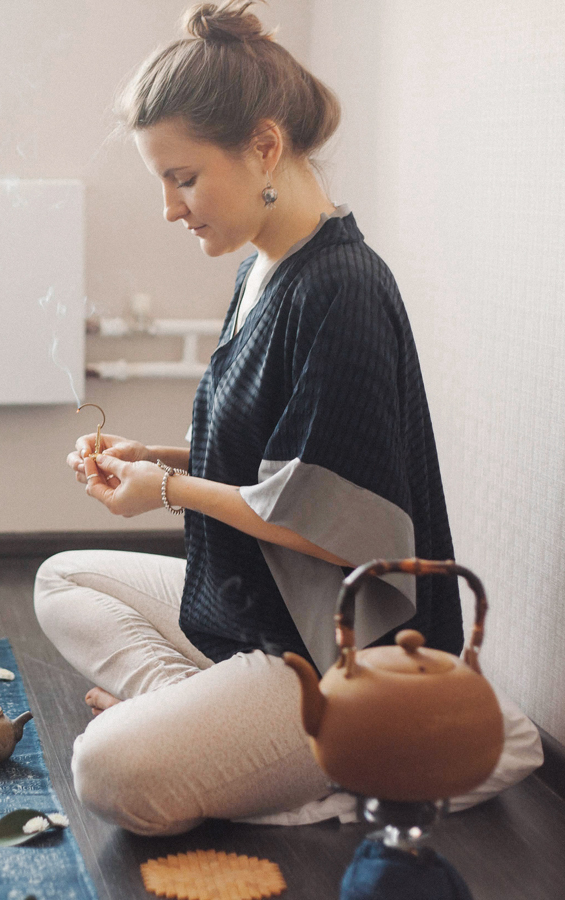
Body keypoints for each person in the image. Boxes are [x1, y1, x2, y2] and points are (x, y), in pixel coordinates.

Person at [34, 0, 541, 836]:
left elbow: (331, 525)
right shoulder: (263, 270)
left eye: (183, 178)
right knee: (64, 581)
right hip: (259, 614)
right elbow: (268, 453)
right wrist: (154, 457)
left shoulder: (343, 289)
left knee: (109, 772)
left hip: (337, 648)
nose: (169, 208)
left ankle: (350, 761)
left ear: (264, 147)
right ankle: (205, 724)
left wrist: (167, 490)